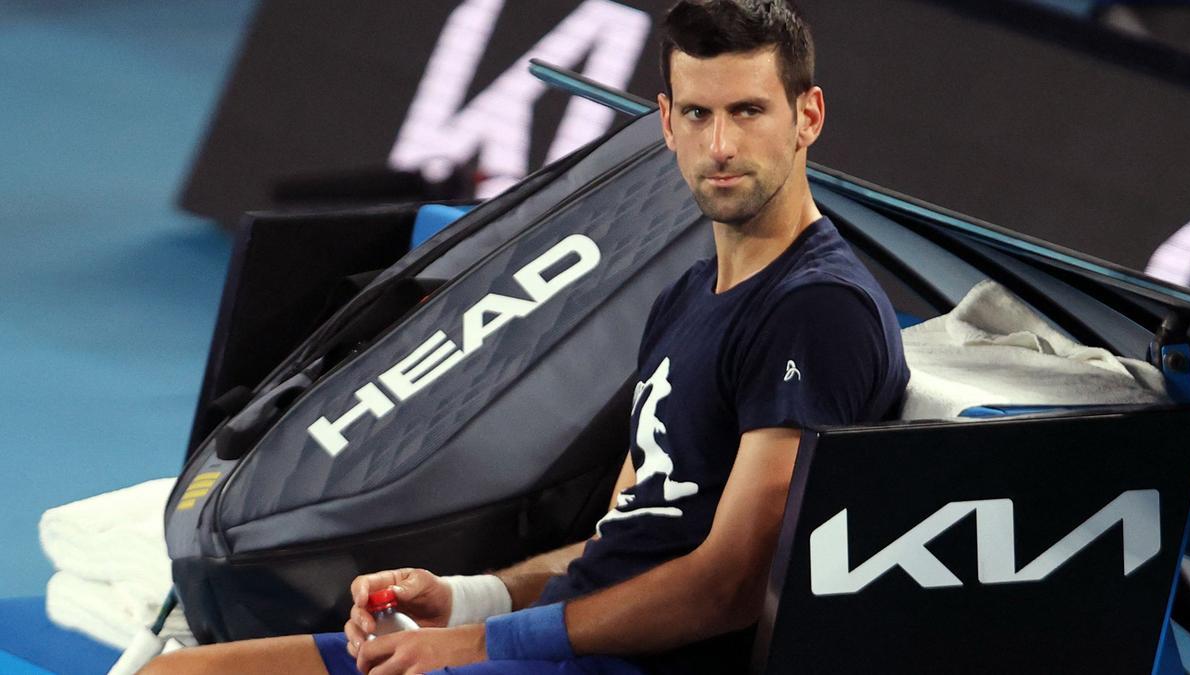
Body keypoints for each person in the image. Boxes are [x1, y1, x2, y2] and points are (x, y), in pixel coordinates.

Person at [140, 1, 908, 673]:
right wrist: (469, 600)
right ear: (666, 123)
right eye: (699, 115)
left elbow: (732, 584)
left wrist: (482, 645)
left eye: (748, 111)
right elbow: (622, 536)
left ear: (807, 116)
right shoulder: (686, 294)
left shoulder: (817, 311)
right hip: (560, 644)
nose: (720, 148)